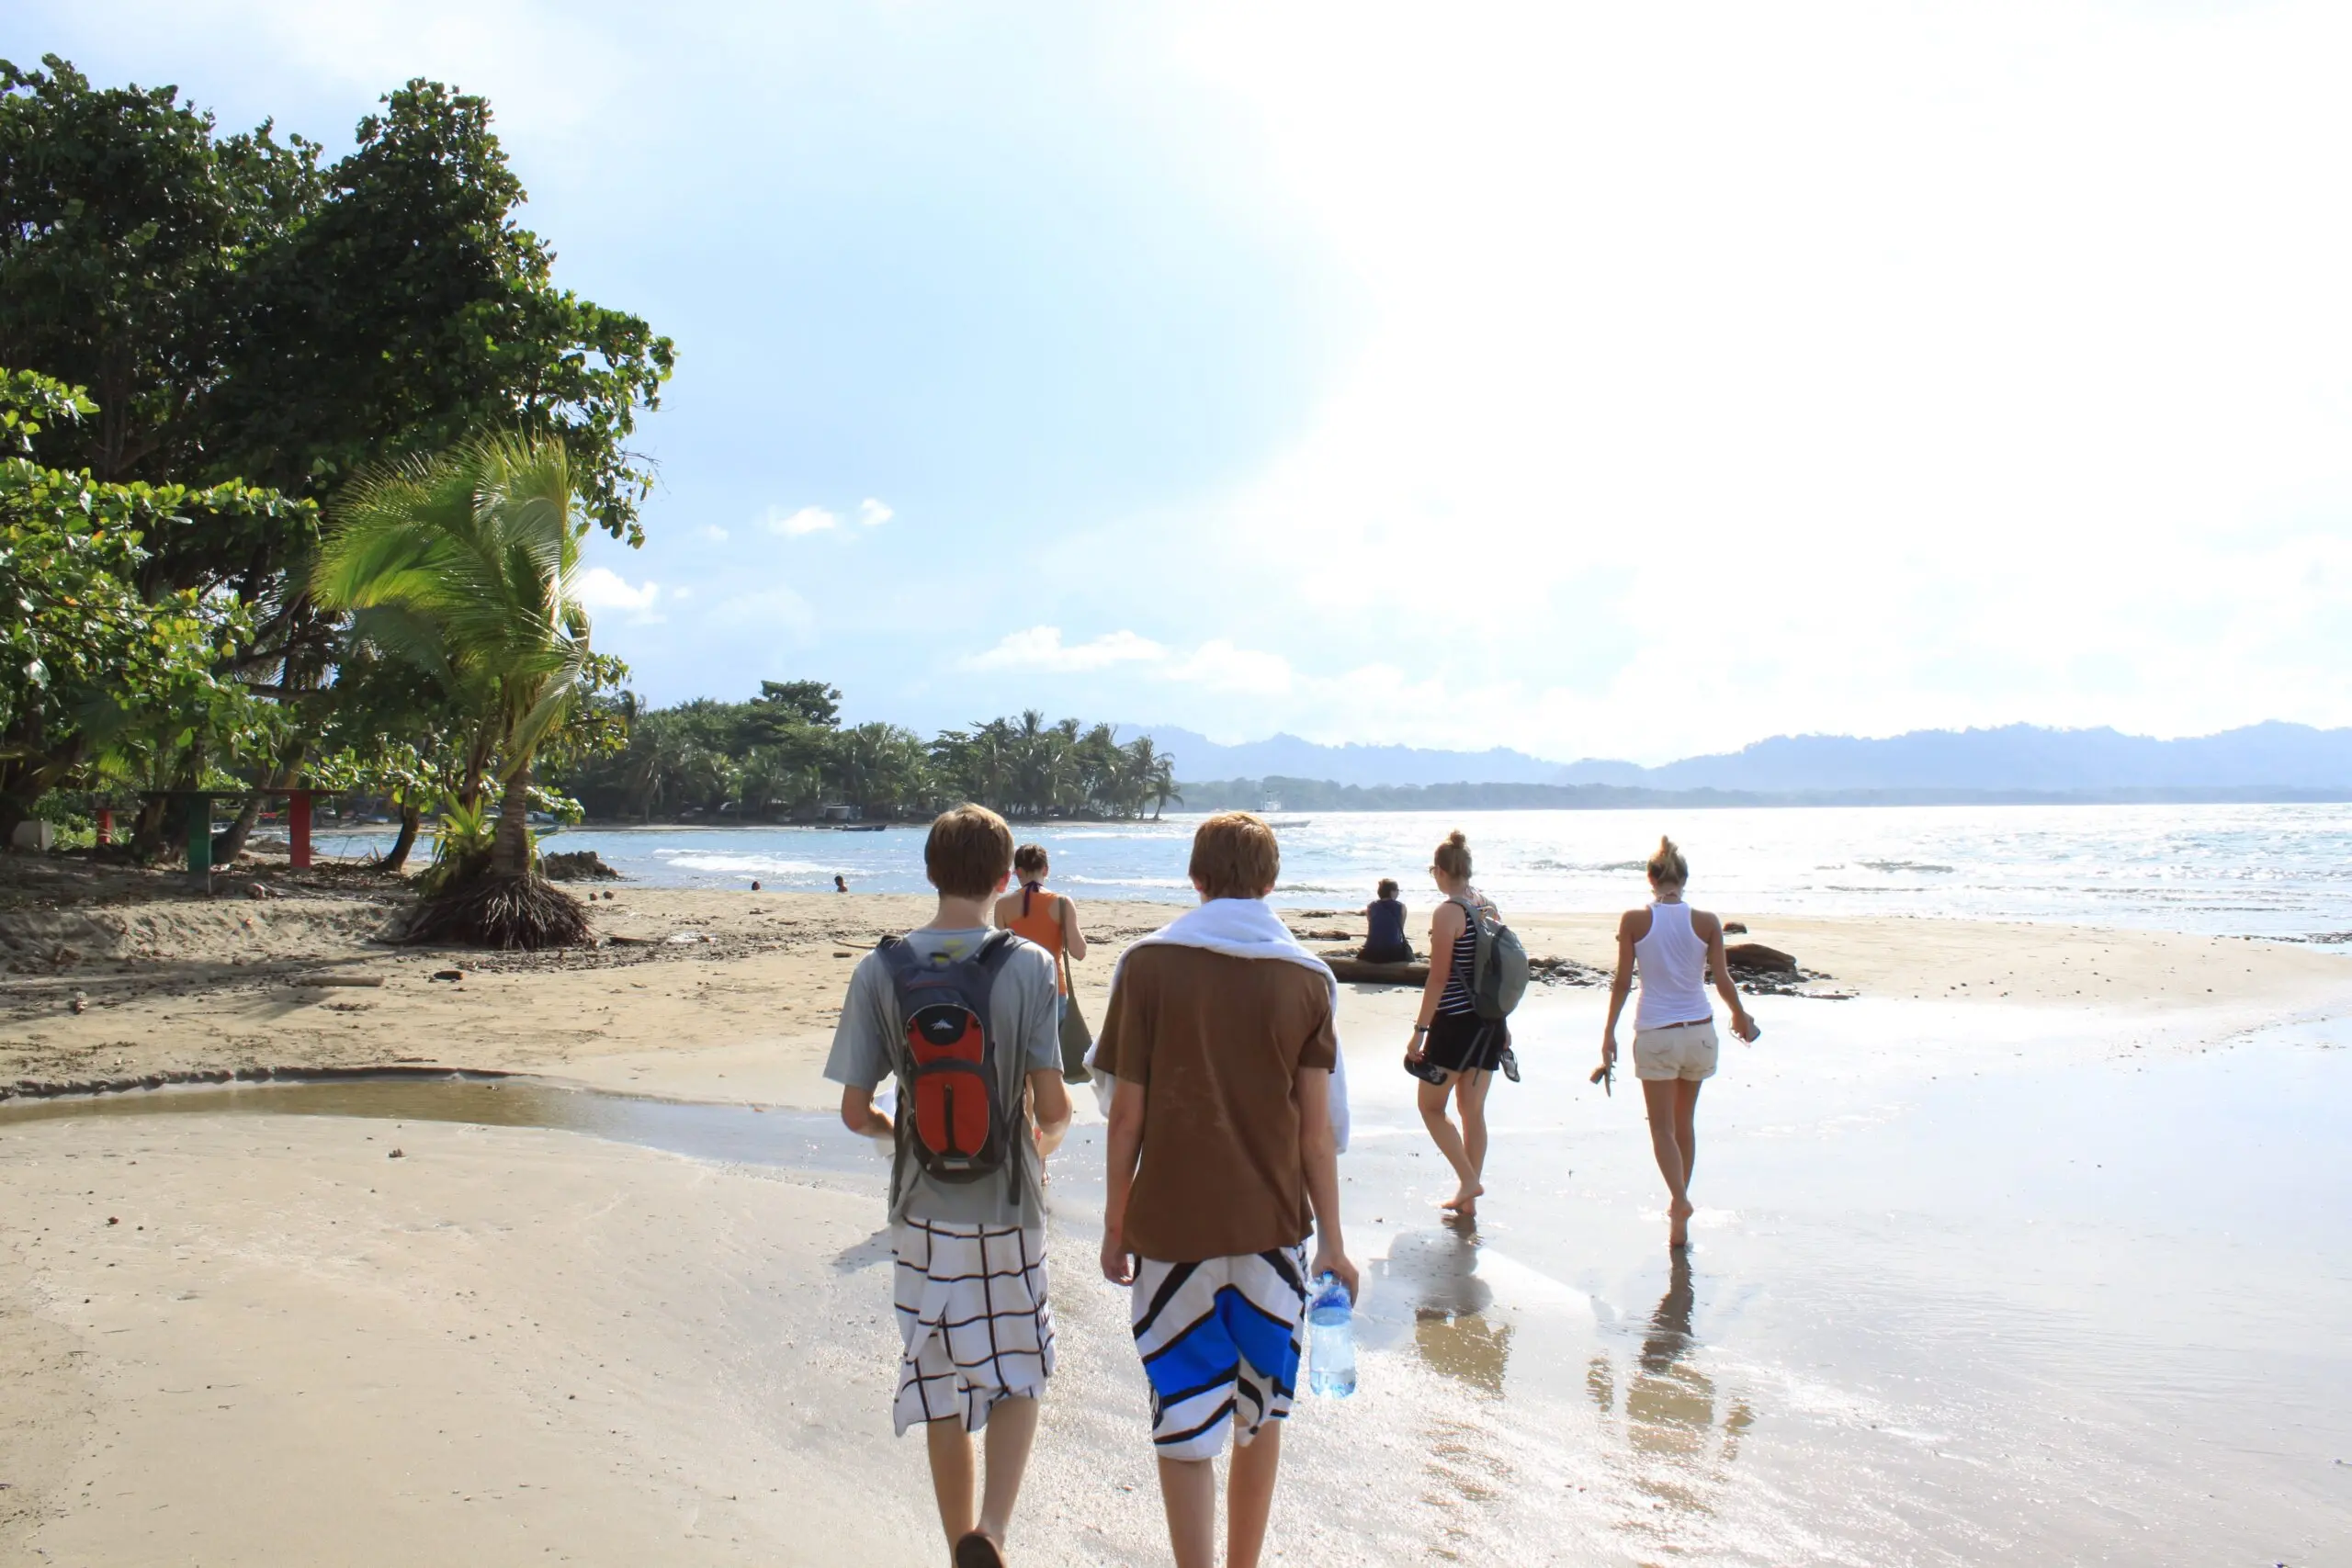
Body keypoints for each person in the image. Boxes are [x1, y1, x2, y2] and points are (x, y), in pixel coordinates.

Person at [1095, 811, 1357, 1568]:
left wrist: (1116, 1224)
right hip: (1272, 1232)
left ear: (1196, 877)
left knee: (1182, 1420)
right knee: (1259, 1415)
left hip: (1171, 1233)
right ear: (1271, 881)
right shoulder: (1307, 978)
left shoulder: (1146, 966)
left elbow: (1125, 1116)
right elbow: (1318, 1133)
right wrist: (1334, 1242)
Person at [824, 804, 1073, 1568]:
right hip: (1009, 1204)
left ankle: (954, 1542)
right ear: (1004, 879)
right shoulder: (1028, 966)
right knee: (1019, 1369)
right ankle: (990, 1531)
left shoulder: (881, 969)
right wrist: (1040, 1145)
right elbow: (1054, 1108)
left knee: (938, 1377)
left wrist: (901, 1137)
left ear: (930, 872)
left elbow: (854, 1111)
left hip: (920, 1209)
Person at [1599, 836, 1758, 1251]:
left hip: (1657, 1033)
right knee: (1685, 1125)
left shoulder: (1634, 920)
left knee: (1661, 1128)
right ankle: (1678, 1217)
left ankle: (1679, 1201)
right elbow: (1722, 978)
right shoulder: (1706, 921)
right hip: (1700, 1032)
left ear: (1650, 879)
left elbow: (1622, 982)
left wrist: (1609, 1033)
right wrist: (1739, 1015)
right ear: (1683, 880)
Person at [1404, 831, 1508, 1222]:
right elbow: (1497, 974)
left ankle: (1468, 1182)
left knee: (1430, 1106)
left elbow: (1438, 977)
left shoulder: (1448, 912)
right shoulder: (1489, 907)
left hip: (1454, 1026)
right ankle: (1468, 1199)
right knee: (1472, 1111)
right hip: (1490, 1023)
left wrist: (1420, 1030)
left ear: (1442, 871)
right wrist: (1504, 1025)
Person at [994, 843, 1090, 997]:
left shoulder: (1002, 905)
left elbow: (999, 956)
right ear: (1045, 870)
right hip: (1053, 988)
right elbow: (1079, 953)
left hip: (1018, 990)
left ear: (1018, 872)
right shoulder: (1062, 903)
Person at [1358, 878, 1414, 964]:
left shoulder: (1370, 906)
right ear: (1392, 892)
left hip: (1371, 951)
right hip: (1392, 952)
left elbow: (1372, 926)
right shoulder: (1401, 907)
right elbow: (1399, 930)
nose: (1398, 892)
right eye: (1397, 890)